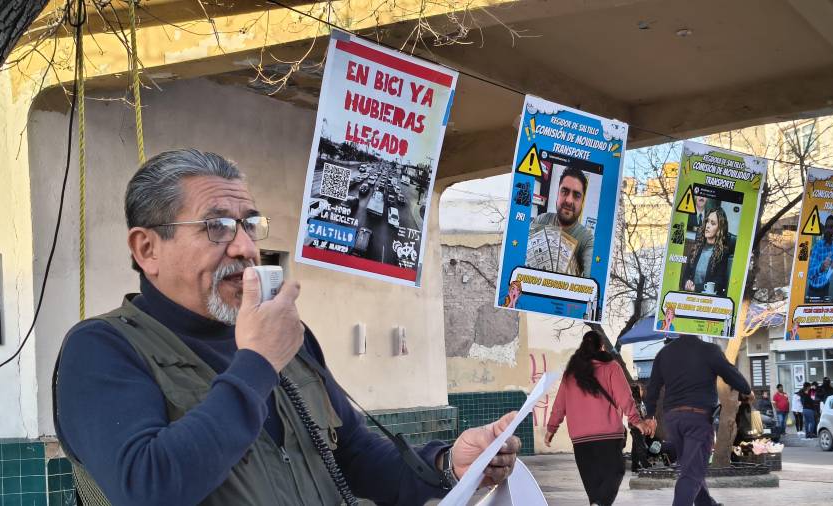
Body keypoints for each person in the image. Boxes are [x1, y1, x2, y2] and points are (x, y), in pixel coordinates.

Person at [54, 149, 520, 505]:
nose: (244, 247)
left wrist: (447, 464)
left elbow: (353, 454)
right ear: (147, 249)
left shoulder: (286, 338)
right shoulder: (103, 350)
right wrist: (256, 363)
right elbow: (148, 487)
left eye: (249, 225)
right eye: (217, 227)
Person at [642, 334, 752, 506]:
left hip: (673, 420)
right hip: (698, 418)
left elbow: (653, 388)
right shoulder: (709, 350)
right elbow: (732, 375)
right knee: (692, 471)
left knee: (690, 464)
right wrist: (746, 389)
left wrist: (649, 416)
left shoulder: (664, 353)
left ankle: (707, 504)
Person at [545, 331, 645, 506]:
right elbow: (624, 397)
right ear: (601, 347)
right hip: (608, 436)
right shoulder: (611, 367)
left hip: (580, 440)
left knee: (593, 486)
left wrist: (551, 429)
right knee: (616, 472)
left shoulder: (570, 374)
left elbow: (559, 405)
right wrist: (636, 420)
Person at [531, 166, 594, 277]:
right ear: (557, 194)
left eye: (576, 195)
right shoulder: (542, 220)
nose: (569, 200)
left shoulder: (587, 240)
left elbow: (592, 278)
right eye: (564, 191)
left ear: (582, 202)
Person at [680, 208, 731, 296]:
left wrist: (696, 288)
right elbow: (685, 276)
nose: (707, 226)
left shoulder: (723, 253)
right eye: (707, 221)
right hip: (688, 297)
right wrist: (687, 282)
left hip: (708, 301)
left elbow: (718, 284)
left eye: (713, 223)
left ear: (720, 229)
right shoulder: (696, 248)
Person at [806, 215, 833, 300]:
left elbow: (832, 263)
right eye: (827, 227)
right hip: (814, 290)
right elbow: (809, 274)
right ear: (824, 229)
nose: (828, 230)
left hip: (826, 285)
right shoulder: (818, 246)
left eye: (831, 227)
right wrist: (821, 267)